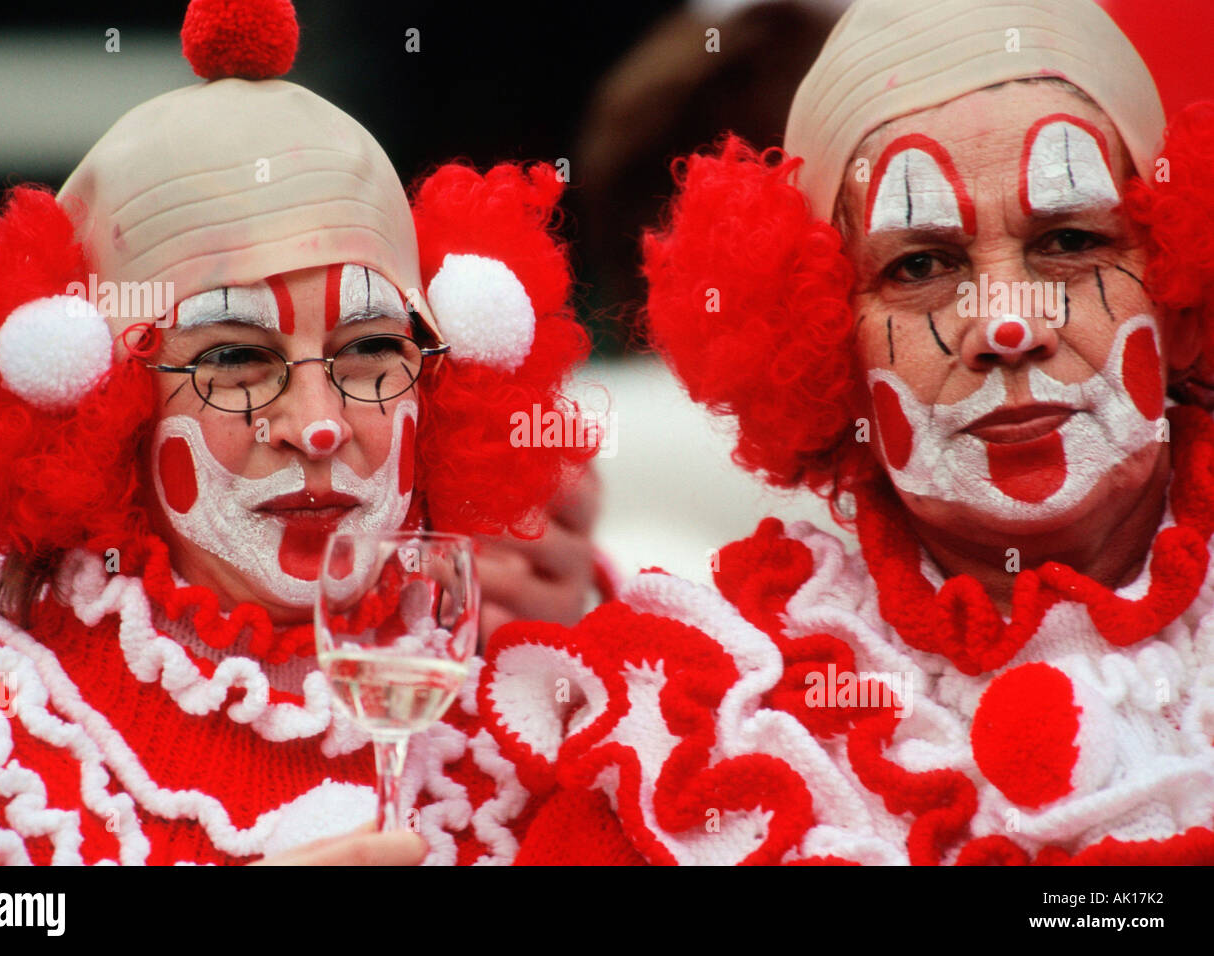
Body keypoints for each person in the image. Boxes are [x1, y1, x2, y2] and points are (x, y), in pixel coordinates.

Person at [476, 0, 1214, 864]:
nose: (1008, 325)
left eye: (1068, 239)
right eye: (921, 266)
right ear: (826, 345)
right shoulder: (707, 723)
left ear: (1176, 300)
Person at [0, 0, 595, 865]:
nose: (317, 427)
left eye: (372, 350)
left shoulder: (561, 736)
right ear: (105, 403)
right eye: (236, 357)